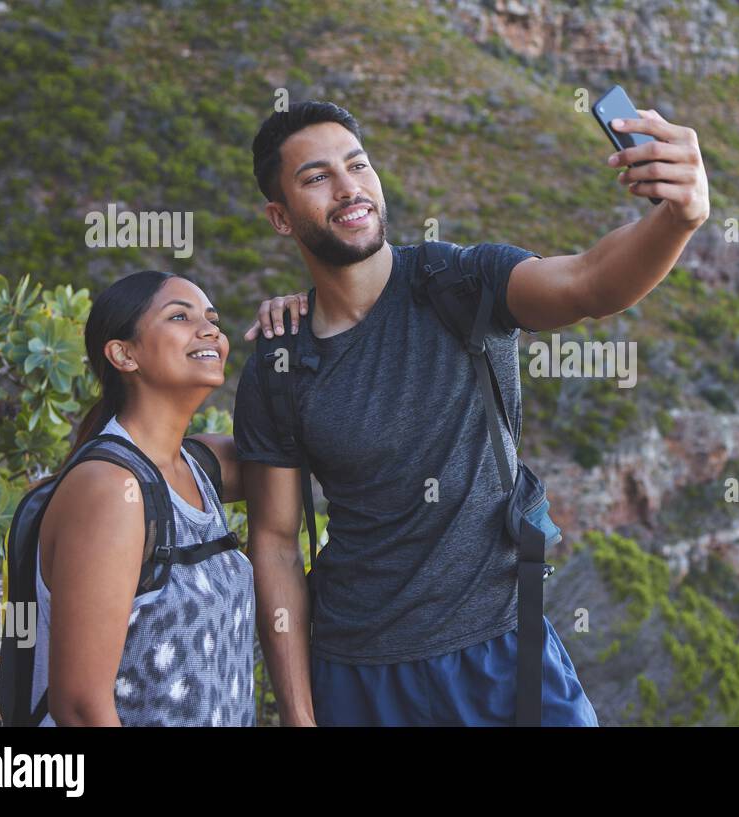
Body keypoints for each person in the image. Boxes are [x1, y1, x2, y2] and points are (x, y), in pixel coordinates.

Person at [234, 100, 709, 726]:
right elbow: (272, 545)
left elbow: (590, 283)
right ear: (281, 216)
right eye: (317, 177)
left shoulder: (456, 281)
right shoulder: (280, 358)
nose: (349, 188)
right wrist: (299, 715)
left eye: (359, 164)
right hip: (360, 672)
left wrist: (681, 217)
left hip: (503, 652)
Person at [37, 271, 254, 726]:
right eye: (180, 316)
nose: (211, 329)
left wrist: (303, 324)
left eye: (213, 319)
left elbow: (311, 448)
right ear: (123, 354)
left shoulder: (198, 466)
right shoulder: (110, 489)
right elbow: (79, 708)